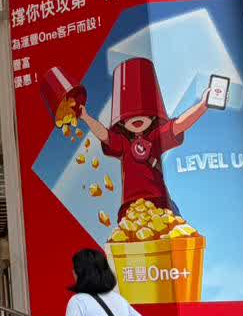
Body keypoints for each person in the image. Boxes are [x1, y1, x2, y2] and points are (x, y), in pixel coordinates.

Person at [80, 57, 209, 217]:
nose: (136, 118)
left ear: (153, 117)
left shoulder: (155, 137)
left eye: (144, 113)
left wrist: (203, 105)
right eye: (128, 116)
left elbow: (179, 124)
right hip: (131, 206)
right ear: (121, 123)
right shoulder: (123, 143)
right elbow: (104, 135)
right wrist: (86, 117)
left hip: (159, 203)